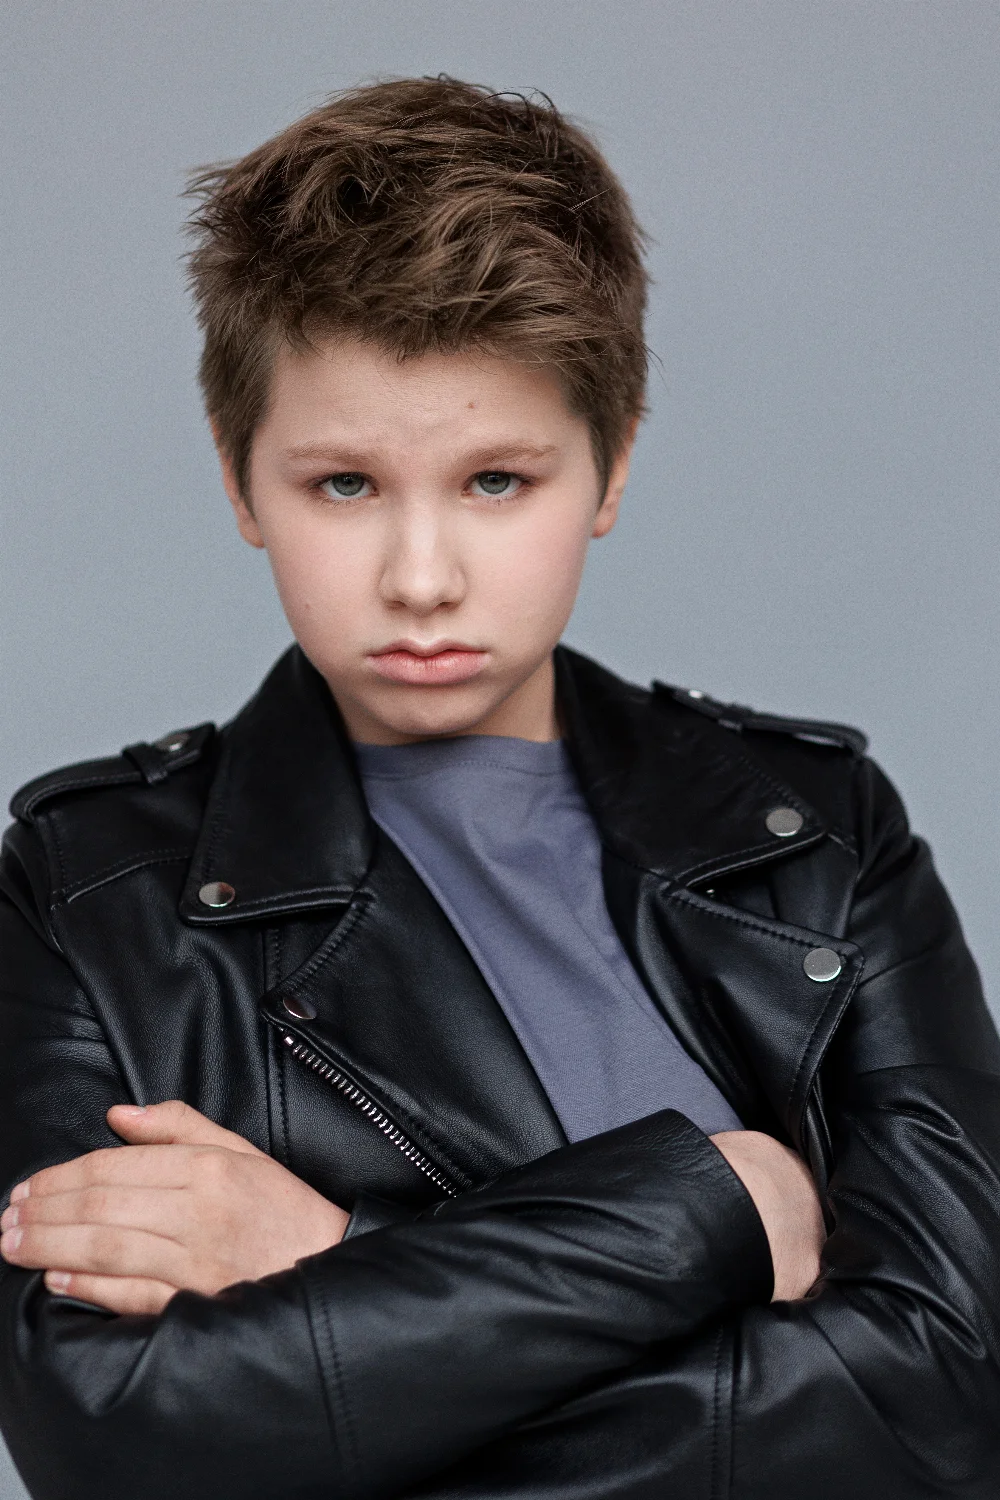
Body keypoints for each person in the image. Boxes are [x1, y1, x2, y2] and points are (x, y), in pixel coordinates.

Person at [0, 76, 998, 1500]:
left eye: (496, 482)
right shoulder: (88, 898)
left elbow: (948, 1403)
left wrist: (334, 1263)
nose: (422, 579)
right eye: (344, 485)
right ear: (238, 479)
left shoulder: (817, 840)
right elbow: (113, 1444)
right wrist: (716, 1206)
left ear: (612, 464)